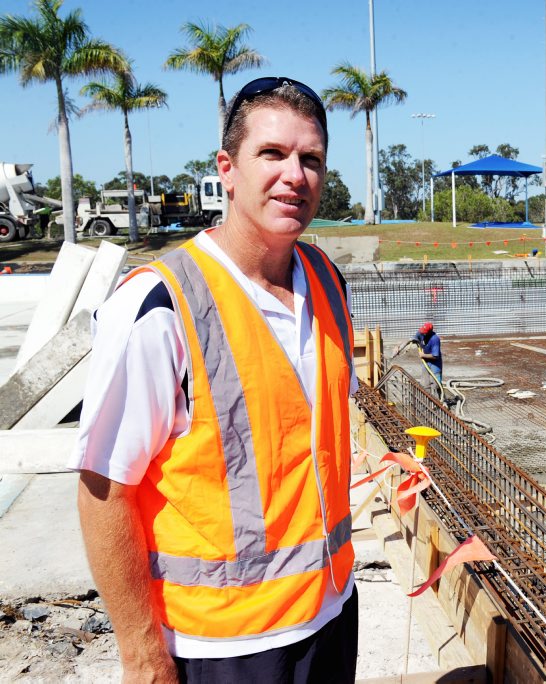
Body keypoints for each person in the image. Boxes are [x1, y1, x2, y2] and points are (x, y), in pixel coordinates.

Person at [71, 77, 359, 683]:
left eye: (311, 159)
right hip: (222, 646)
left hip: (331, 614)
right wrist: (141, 652)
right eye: (272, 154)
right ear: (227, 169)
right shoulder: (162, 305)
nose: (294, 175)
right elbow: (104, 488)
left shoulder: (327, 281)